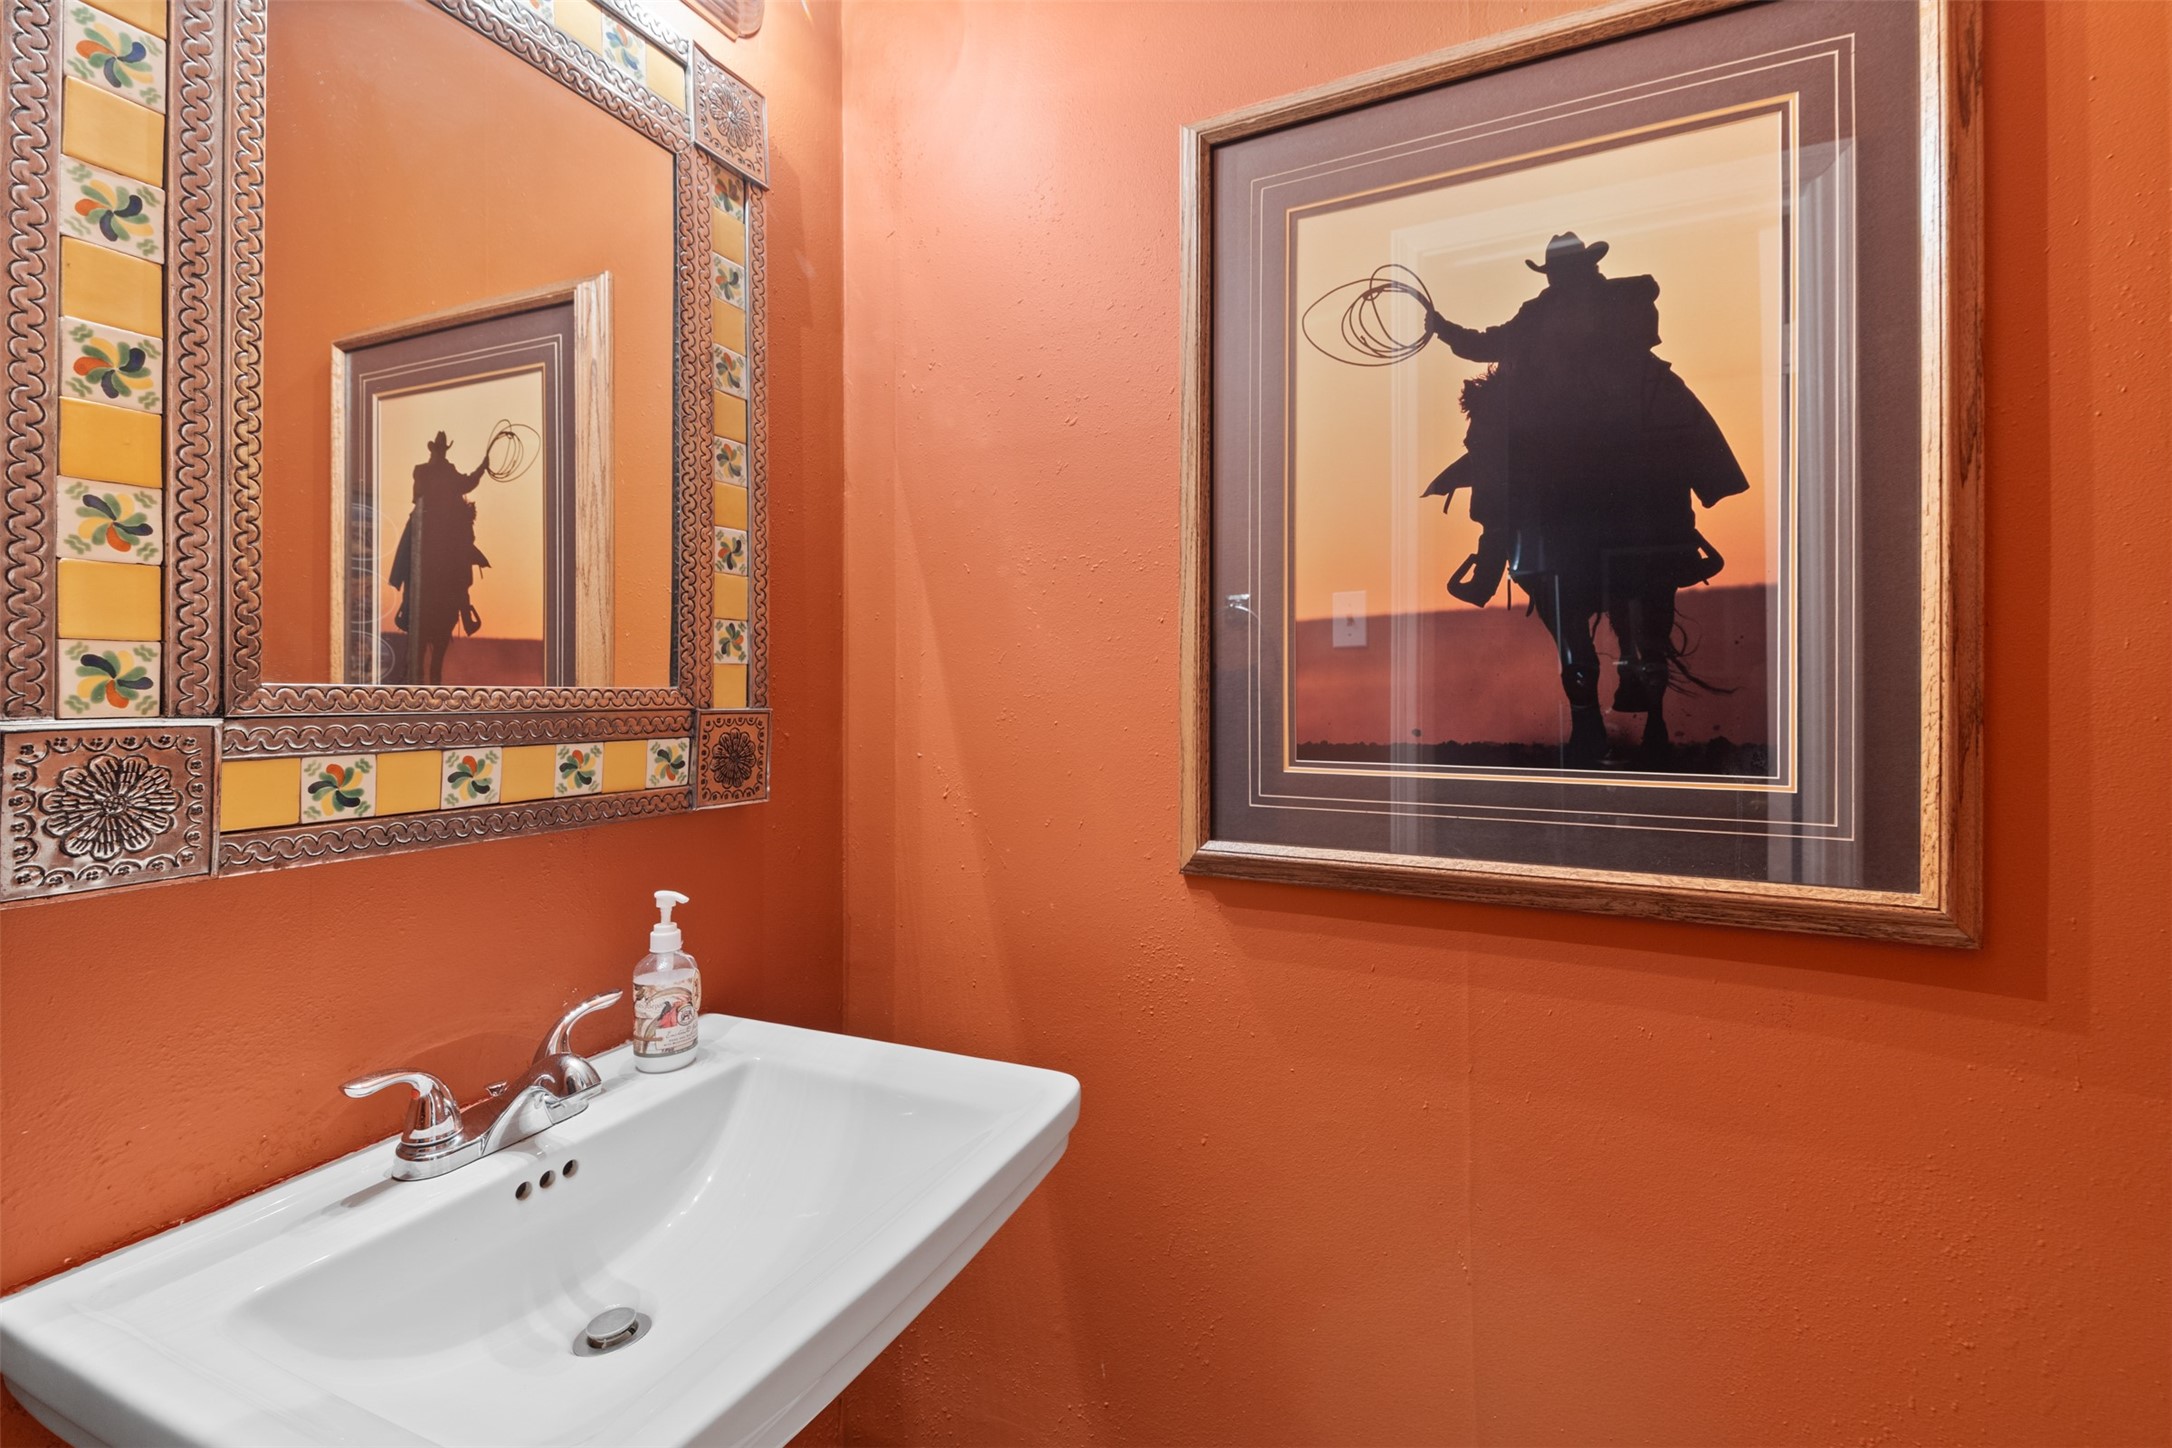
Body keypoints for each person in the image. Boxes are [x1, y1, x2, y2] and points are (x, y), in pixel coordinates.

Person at [1419, 232, 1749, 764]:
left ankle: (1492, 554)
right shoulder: (1618, 305)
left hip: (1557, 431)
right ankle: (1684, 537)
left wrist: (1442, 329)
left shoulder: (1542, 312)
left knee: (1492, 443)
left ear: (1554, 272)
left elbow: (1487, 346)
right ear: (1589, 267)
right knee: (1673, 413)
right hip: (1617, 423)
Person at [387, 430, 491, 685]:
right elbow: (460, 485)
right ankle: (417, 604)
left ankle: (453, 606)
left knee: (459, 553)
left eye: (441, 450)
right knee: (414, 550)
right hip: (429, 523)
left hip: (439, 524)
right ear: (435, 450)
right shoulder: (424, 471)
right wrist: (478, 471)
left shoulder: (435, 470)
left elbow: (465, 484)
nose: (440, 454)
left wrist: (481, 468)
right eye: (439, 450)